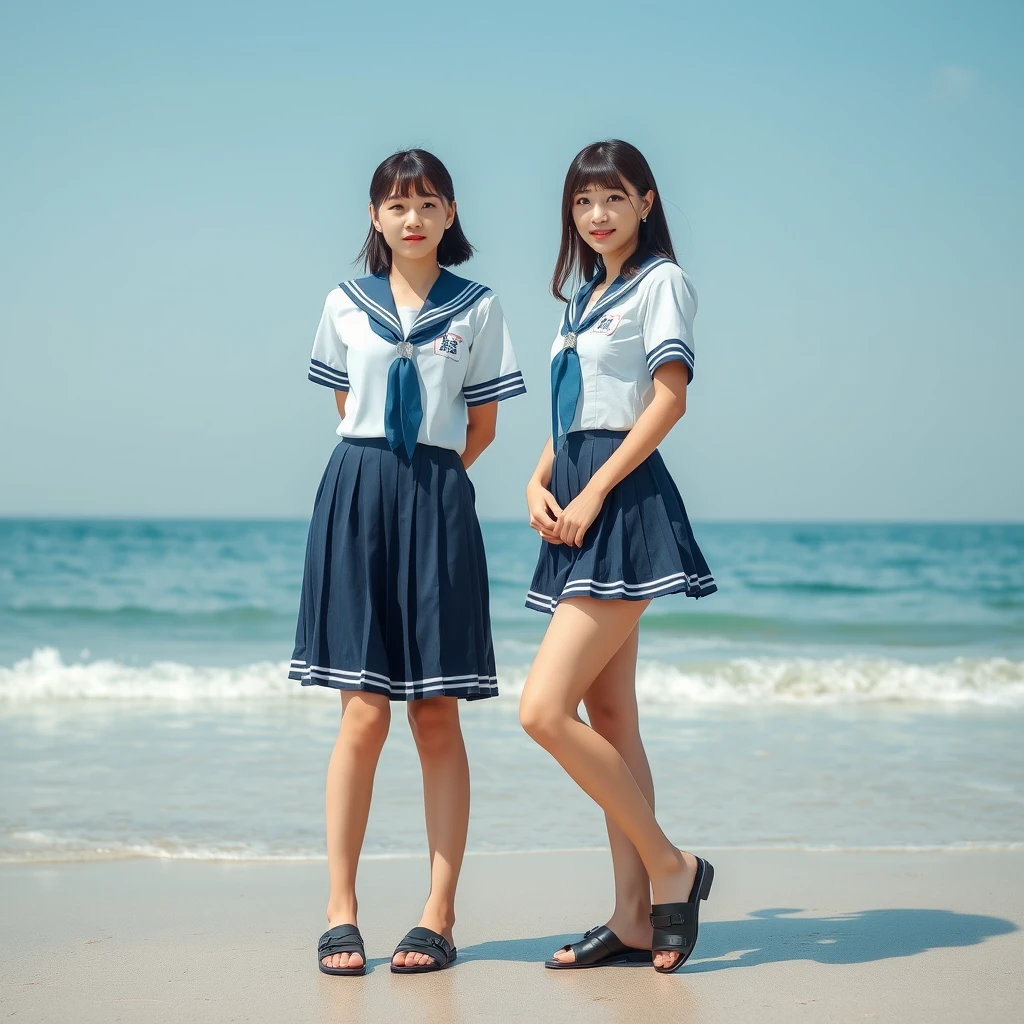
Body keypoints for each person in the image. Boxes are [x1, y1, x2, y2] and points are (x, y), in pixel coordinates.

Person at [292, 149, 526, 976]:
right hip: (357, 494)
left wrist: (428, 495)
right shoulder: (342, 303)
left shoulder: (481, 306)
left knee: (436, 713)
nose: (413, 218)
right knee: (362, 711)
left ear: (451, 214)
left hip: (438, 497)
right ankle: (341, 909)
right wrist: (384, 486)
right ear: (374, 218)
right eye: (397, 206)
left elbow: (484, 426)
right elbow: (344, 404)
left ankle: (439, 912)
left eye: (428, 204)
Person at [521, 139, 716, 973]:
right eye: (581, 203)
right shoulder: (580, 297)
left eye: (612, 199)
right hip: (575, 493)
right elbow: (574, 410)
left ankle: (673, 866)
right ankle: (635, 916)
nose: (596, 216)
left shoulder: (661, 282)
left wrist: (595, 490)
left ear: (646, 200)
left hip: (622, 501)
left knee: (542, 711)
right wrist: (539, 480)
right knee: (612, 718)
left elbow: (667, 400)